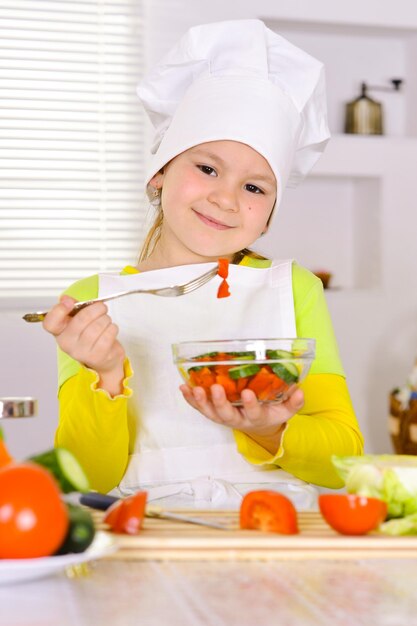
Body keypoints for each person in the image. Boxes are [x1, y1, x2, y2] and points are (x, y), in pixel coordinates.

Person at [43, 20, 364, 509]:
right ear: (159, 174)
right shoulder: (95, 299)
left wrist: (269, 426)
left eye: (255, 187)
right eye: (207, 168)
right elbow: (87, 476)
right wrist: (105, 374)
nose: (226, 199)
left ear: (269, 215)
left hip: (277, 533)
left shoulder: (291, 289)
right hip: (149, 534)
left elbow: (344, 462)